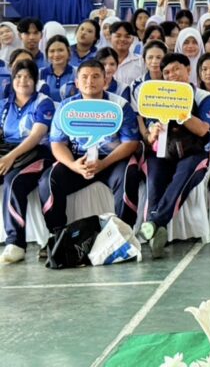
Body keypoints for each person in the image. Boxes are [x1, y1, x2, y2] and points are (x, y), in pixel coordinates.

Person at [39, 59, 141, 235]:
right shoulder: (66, 107)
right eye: (84, 77)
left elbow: (131, 143)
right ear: (77, 82)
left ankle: (124, 234)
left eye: (95, 76)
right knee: (48, 180)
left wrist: (103, 164)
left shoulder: (120, 106)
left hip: (111, 160)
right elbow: (57, 143)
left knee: (129, 175)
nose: (89, 81)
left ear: (105, 80)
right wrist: (73, 165)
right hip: (78, 159)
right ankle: (57, 235)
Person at [137, 53, 210, 259]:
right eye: (166, 72)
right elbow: (149, 135)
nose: (171, 75)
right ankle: (156, 230)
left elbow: (203, 130)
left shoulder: (203, 97)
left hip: (193, 154)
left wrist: (180, 111)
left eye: (176, 69)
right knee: (154, 181)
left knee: (181, 179)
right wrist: (152, 132)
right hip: (162, 153)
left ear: (188, 70)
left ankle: (154, 223)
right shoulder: (158, 97)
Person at [0, 60, 56, 263]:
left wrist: (10, 157)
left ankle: (15, 243)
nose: (22, 81)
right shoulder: (4, 104)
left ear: (35, 80)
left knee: (13, 182)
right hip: (9, 152)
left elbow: (36, 136)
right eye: (18, 77)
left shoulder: (43, 102)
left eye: (28, 77)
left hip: (37, 154)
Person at [40, 36, 75, 102]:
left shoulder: (77, 72)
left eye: (60, 50)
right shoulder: (39, 73)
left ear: (68, 51)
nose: (56, 54)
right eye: (52, 51)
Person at [109, 21, 145, 86]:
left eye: (127, 36)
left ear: (132, 39)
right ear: (110, 37)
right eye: (118, 36)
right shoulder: (101, 60)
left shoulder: (141, 61)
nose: (122, 39)